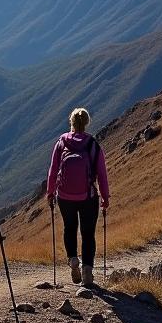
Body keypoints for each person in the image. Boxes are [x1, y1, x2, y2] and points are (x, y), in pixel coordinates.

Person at [47, 108, 110, 287]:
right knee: (88, 233)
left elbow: (53, 171)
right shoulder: (92, 145)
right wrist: (105, 197)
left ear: (71, 122)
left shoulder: (61, 142)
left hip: (65, 196)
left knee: (70, 228)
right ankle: (87, 271)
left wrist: (50, 192)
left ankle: (73, 259)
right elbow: (102, 174)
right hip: (88, 196)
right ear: (87, 122)